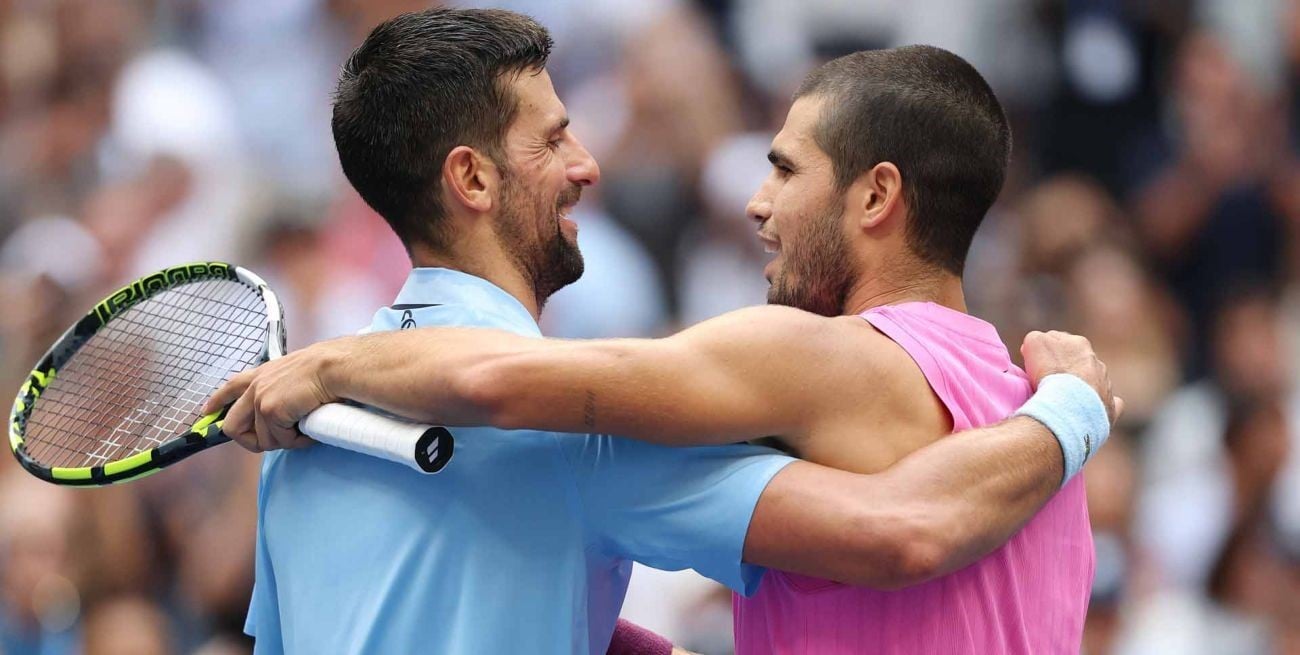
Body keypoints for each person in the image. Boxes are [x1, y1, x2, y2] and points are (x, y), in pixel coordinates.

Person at [210, 9, 1117, 654]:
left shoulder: (299, 436)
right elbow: (906, 531)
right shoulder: (582, 439)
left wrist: (336, 360)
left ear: (878, 196)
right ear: (472, 180)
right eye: (556, 139)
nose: (588, 164)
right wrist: (1073, 410)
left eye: (785, 171)